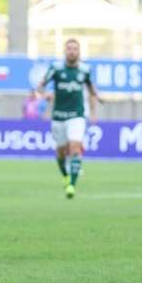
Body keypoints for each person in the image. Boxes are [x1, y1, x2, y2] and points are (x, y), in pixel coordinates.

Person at [36, 38, 101, 199]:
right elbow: (40, 85)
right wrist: (45, 95)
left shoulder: (85, 69)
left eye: (75, 49)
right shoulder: (56, 68)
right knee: (60, 152)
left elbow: (92, 90)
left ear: (79, 52)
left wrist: (93, 112)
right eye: (69, 48)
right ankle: (65, 175)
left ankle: (72, 184)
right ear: (65, 51)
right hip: (58, 116)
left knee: (75, 148)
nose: (72, 51)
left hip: (77, 116)